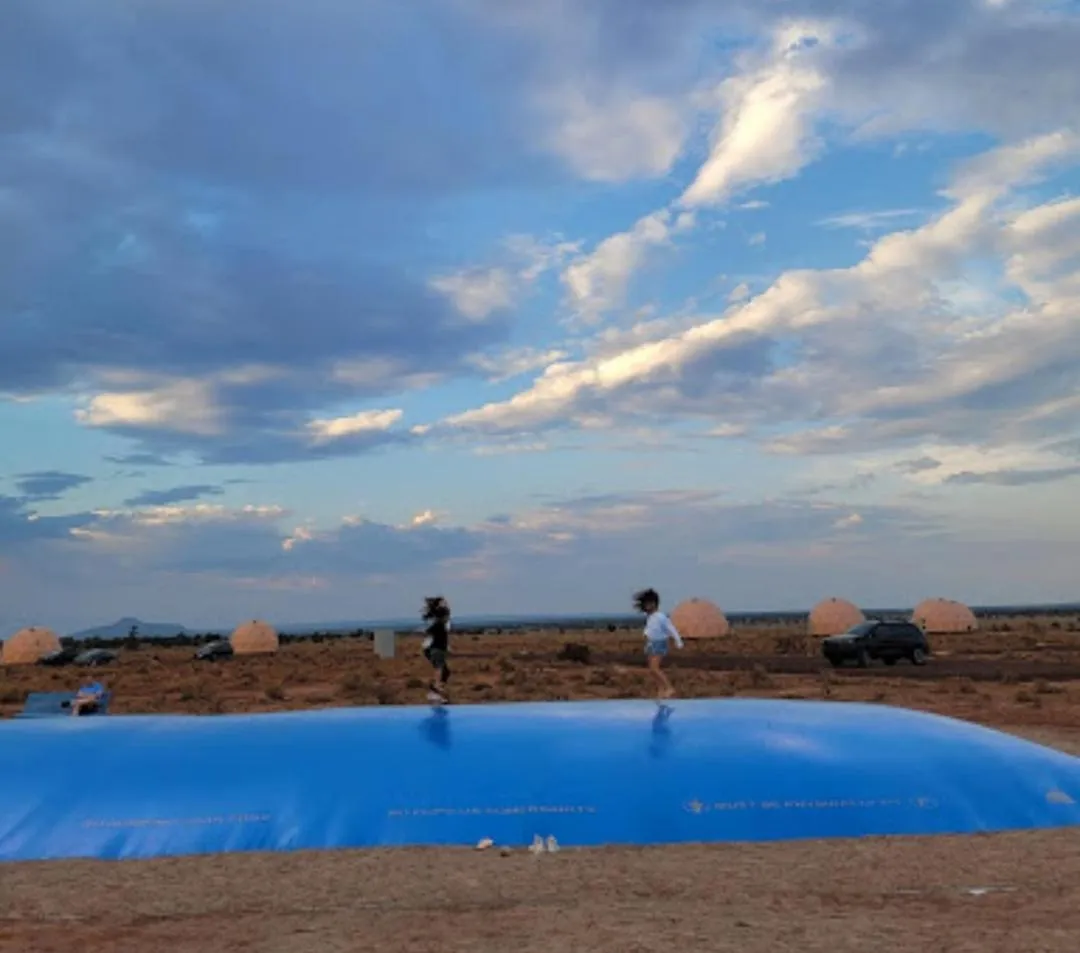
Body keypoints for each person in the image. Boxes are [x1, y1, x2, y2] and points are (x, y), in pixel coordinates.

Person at [633, 588, 683, 699]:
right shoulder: (651, 617)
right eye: (645, 604)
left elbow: (671, 628)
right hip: (652, 643)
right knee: (652, 670)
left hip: (659, 643)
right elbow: (651, 629)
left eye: (648, 604)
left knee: (654, 669)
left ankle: (669, 687)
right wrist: (646, 637)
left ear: (654, 604)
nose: (646, 607)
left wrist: (678, 641)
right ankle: (660, 690)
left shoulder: (661, 616)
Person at [421, 596, 452, 704]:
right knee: (439, 668)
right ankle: (437, 688)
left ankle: (435, 690)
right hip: (436, 649)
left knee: (446, 672)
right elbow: (428, 633)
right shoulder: (438, 624)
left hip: (438, 648)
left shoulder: (440, 624)